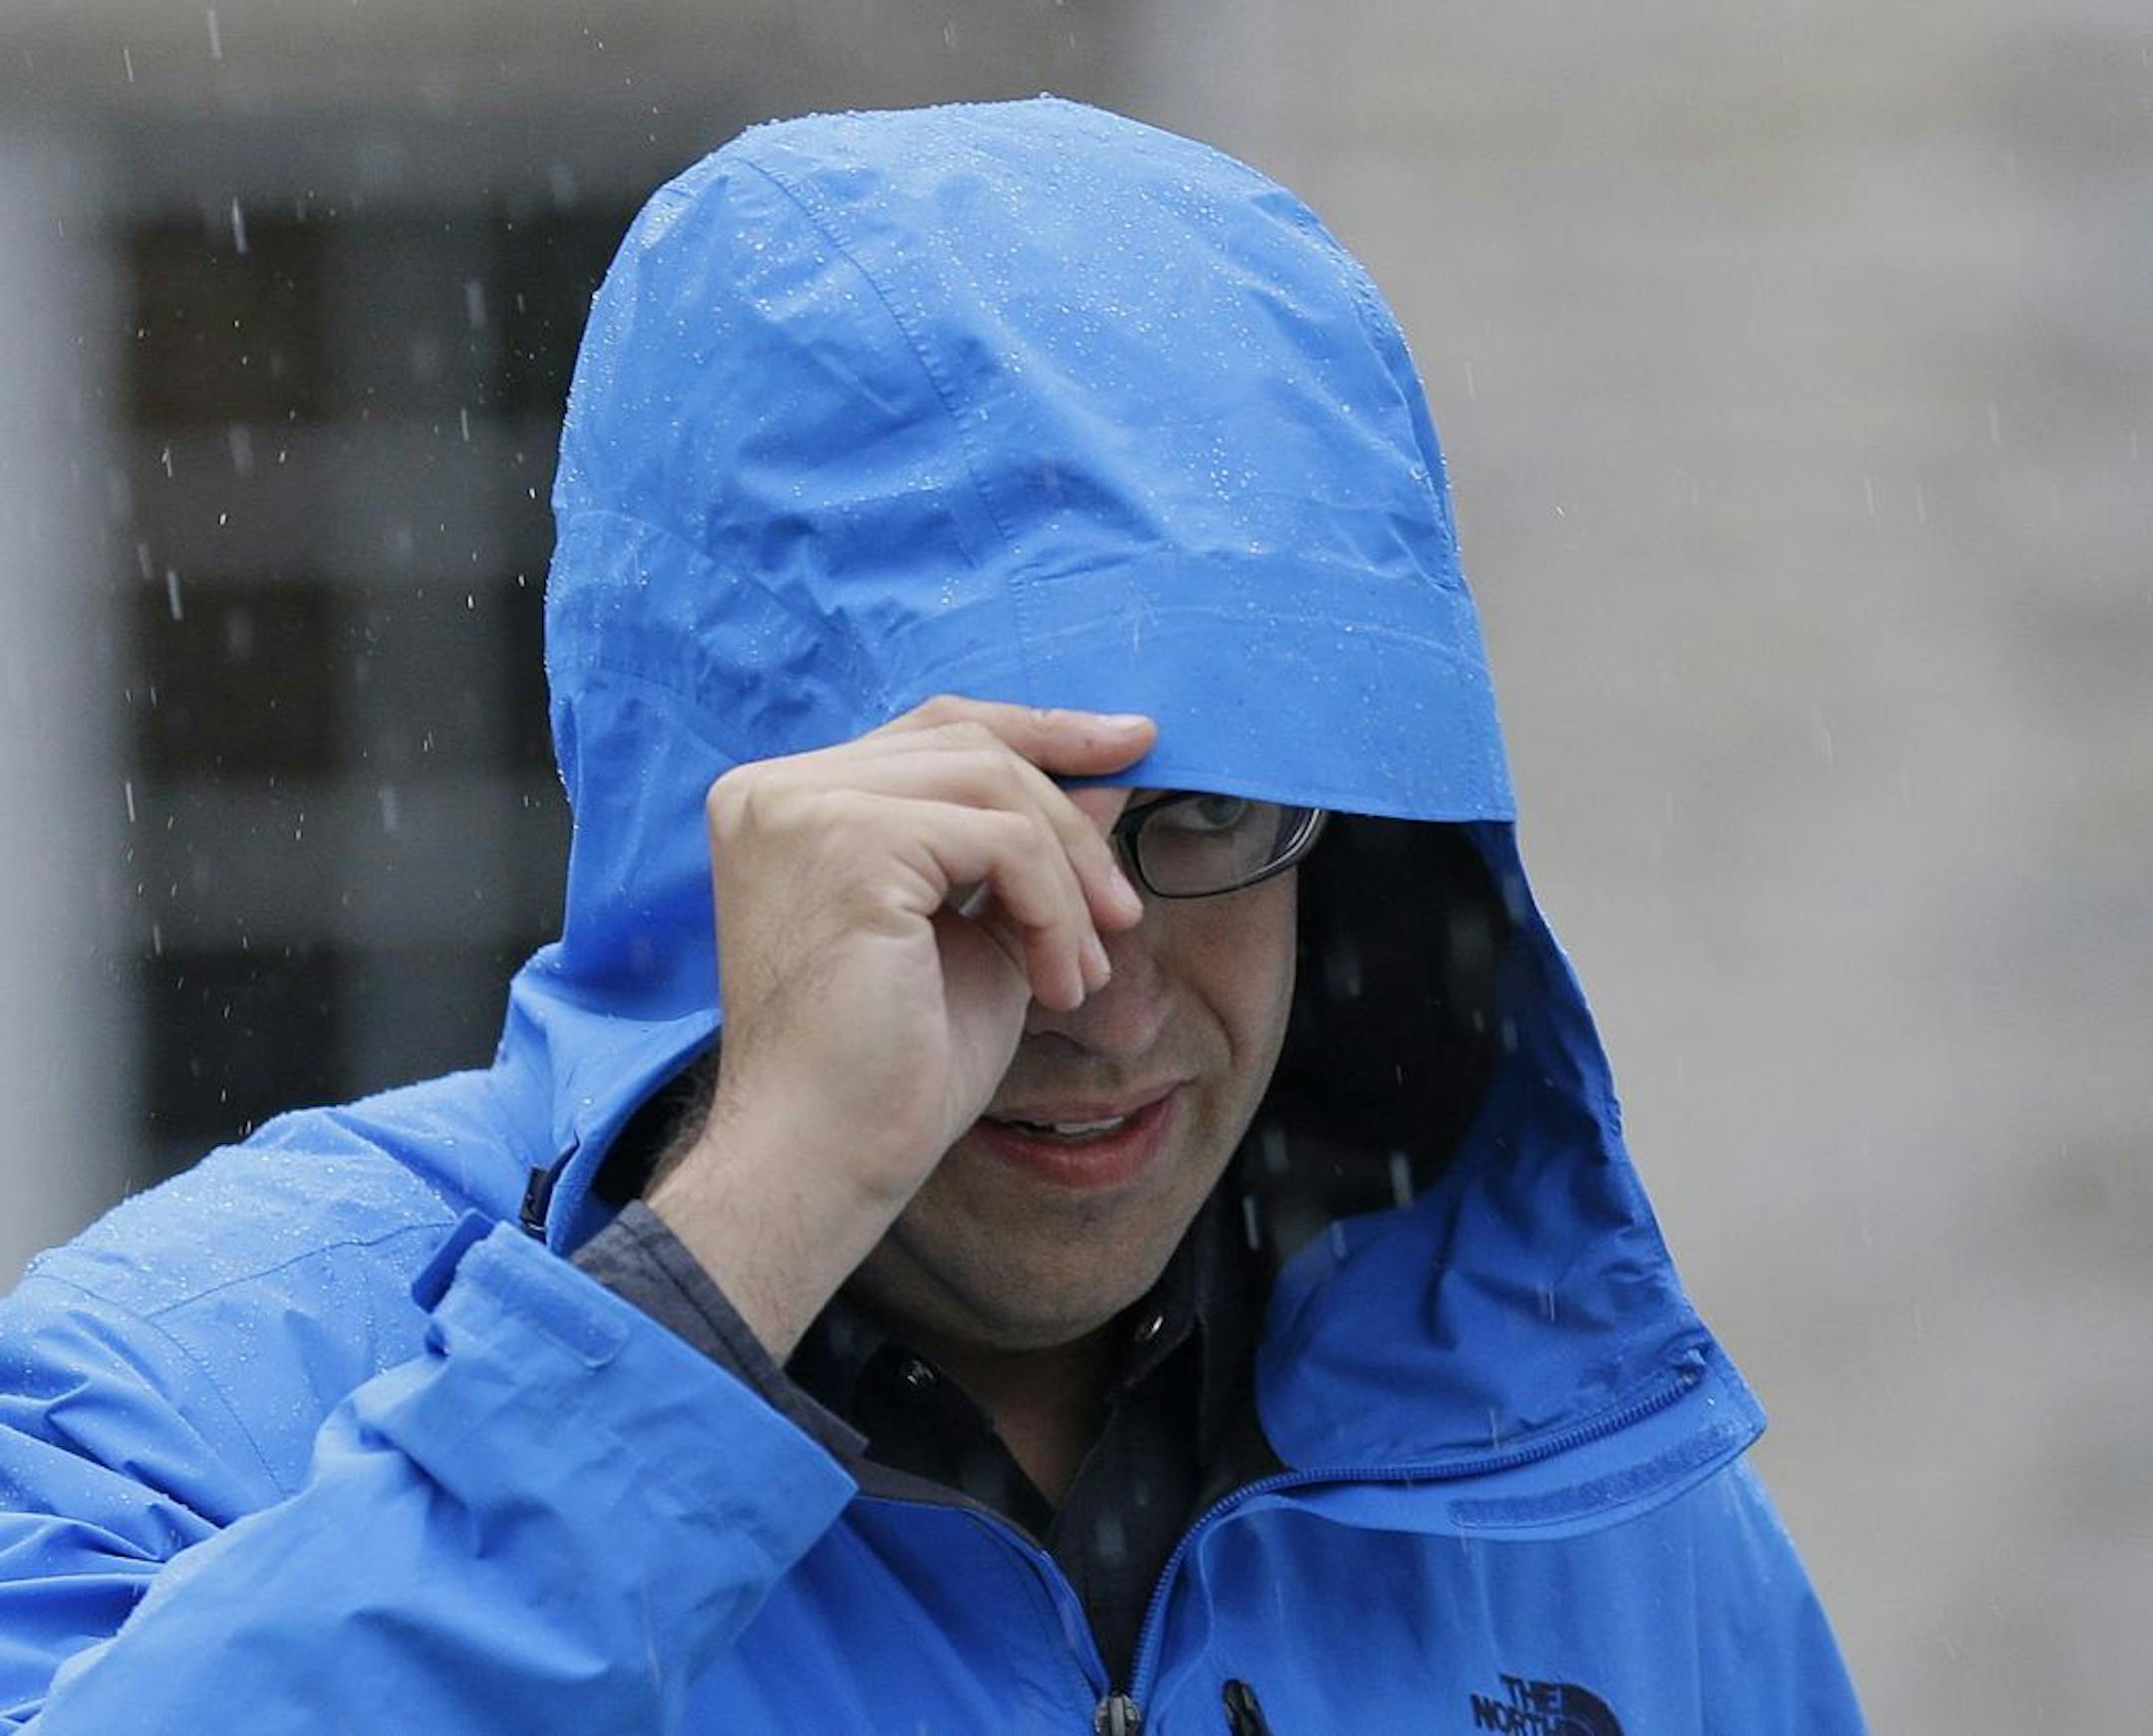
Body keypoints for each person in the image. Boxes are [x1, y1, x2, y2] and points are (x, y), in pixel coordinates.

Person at [0, 98, 1864, 1733]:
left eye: (1206, 818)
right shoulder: (192, 1391)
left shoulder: (1578, 1494)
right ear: (721, 842)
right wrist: (736, 1248)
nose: (1101, 988)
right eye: (978, 858)